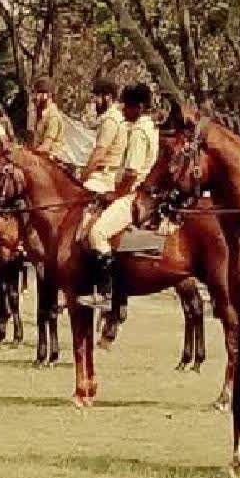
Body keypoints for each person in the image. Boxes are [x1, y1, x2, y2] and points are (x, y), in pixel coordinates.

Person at [80, 83, 159, 309]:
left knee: (97, 233)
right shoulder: (151, 127)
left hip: (134, 194)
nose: (123, 110)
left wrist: (116, 195)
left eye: (128, 106)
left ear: (140, 106)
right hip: (141, 191)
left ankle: (106, 293)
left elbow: (132, 172)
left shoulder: (137, 132)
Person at [80, 77, 126, 193]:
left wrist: (83, 176)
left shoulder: (110, 120)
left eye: (97, 96)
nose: (94, 101)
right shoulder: (113, 117)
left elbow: (99, 154)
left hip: (103, 177)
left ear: (108, 97)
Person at [32, 77, 65, 161]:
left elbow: (46, 146)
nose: (35, 97)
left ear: (48, 94)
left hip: (50, 161)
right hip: (41, 158)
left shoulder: (53, 116)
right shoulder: (43, 114)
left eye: (38, 93)